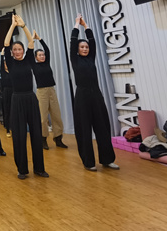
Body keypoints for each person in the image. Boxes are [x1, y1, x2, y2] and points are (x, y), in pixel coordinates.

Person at [70, 14, 119, 172]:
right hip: (82, 97)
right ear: (77, 49)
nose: (85, 49)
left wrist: (86, 26)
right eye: (82, 47)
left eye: (86, 47)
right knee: (84, 130)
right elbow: (72, 41)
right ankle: (88, 162)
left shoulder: (91, 58)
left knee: (102, 127)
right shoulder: (75, 59)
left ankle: (107, 159)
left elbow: (93, 41)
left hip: (96, 95)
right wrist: (77, 25)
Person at [3, 15, 48, 180]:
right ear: (12, 52)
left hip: (30, 99)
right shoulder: (10, 62)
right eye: (14, 50)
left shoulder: (29, 60)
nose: (17, 51)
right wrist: (12, 26)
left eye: (19, 49)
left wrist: (23, 26)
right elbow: (6, 43)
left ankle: (39, 168)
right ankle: (22, 169)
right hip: (17, 100)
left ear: (23, 51)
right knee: (19, 135)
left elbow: (30, 42)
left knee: (36, 134)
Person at [32, 31, 67, 150]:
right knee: (43, 118)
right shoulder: (34, 65)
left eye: (43, 55)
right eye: (40, 55)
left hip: (52, 90)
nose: (42, 56)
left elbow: (47, 50)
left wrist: (40, 39)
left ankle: (58, 138)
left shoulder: (46, 63)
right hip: (41, 92)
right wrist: (32, 40)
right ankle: (43, 139)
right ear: (36, 57)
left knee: (56, 115)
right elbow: (29, 53)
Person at [0, 49, 12, 138]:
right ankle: (7, 129)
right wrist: (2, 54)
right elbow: (1, 64)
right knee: (7, 110)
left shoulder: (12, 71)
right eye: (5, 63)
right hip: (6, 92)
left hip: (14, 91)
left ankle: (14, 127)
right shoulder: (3, 72)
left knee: (14, 110)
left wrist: (10, 54)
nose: (6, 64)